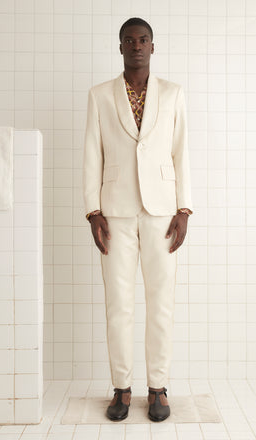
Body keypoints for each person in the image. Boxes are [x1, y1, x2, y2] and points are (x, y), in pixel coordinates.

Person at [82, 17, 193, 422]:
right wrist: (92, 211)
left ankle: (158, 388)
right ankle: (122, 389)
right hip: (114, 213)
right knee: (118, 305)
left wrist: (184, 209)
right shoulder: (99, 96)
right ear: (120, 47)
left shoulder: (174, 94)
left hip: (163, 213)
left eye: (143, 39)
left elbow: (183, 153)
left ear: (152, 45)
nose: (136, 45)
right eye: (129, 40)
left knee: (161, 304)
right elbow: (92, 153)